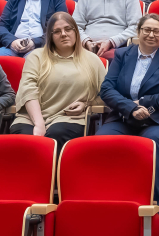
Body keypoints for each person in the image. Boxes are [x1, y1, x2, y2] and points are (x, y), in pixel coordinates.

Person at [97, 14, 159, 208]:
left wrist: (144, 102)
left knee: (152, 143)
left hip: (158, 120)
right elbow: (107, 89)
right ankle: (106, 198)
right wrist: (131, 108)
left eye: (156, 31)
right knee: (101, 141)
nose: (151, 34)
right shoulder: (122, 55)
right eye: (147, 30)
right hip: (123, 118)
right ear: (138, 32)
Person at [7, 12, 105, 143]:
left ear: (76, 31)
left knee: (56, 134)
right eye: (57, 31)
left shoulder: (93, 60)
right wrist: (39, 123)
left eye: (68, 29)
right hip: (31, 117)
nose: (63, 34)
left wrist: (86, 104)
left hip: (68, 118)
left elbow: (106, 95)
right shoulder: (36, 56)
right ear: (50, 36)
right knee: (25, 139)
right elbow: (28, 90)